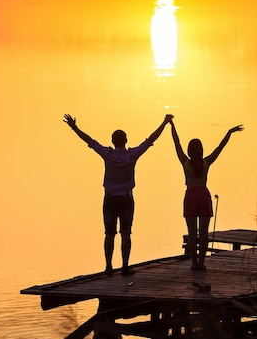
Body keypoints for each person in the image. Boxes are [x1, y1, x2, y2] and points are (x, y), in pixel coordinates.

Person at [63, 113, 174, 276]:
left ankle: (108, 266)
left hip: (110, 199)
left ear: (113, 142)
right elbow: (151, 139)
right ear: (126, 141)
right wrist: (165, 123)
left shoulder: (108, 154)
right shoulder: (132, 155)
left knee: (109, 233)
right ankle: (124, 266)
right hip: (126, 200)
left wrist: (74, 127)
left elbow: (90, 141)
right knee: (126, 233)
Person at [169, 118, 244, 270]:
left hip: (190, 196)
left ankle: (194, 264)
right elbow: (219, 147)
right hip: (203, 195)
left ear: (189, 151)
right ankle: (202, 263)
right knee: (204, 233)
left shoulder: (185, 162)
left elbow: (176, 143)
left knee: (192, 233)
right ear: (201, 150)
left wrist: (171, 125)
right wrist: (229, 132)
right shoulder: (206, 162)